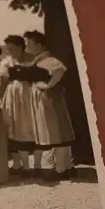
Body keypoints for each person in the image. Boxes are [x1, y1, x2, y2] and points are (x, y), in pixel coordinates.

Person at [24, 30, 75, 181]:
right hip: (46, 101)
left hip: (50, 100)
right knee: (58, 132)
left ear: (39, 44)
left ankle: (61, 169)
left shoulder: (48, 59)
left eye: (29, 44)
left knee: (57, 132)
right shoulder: (39, 61)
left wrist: (48, 86)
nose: (27, 48)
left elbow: (60, 70)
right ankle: (66, 167)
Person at [0, 35, 36, 177]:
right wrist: (1, 99)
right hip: (13, 96)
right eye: (8, 49)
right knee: (12, 127)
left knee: (27, 127)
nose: (10, 51)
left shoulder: (33, 59)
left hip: (29, 95)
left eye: (13, 48)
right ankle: (17, 164)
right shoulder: (7, 62)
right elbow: (3, 82)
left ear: (21, 46)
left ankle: (31, 165)